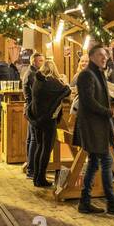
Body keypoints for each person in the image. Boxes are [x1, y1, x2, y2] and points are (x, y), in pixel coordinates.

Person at [73, 44, 114, 215]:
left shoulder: (97, 73)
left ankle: (85, 202)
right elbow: (89, 102)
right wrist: (111, 113)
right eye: (101, 55)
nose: (105, 58)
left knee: (95, 163)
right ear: (92, 56)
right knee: (106, 162)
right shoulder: (87, 75)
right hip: (92, 127)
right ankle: (111, 203)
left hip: (98, 126)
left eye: (106, 56)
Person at [26, 60, 69, 189]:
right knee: (46, 149)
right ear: (53, 69)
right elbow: (66, 90)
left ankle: (36, 176)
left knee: (39, 147)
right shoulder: (51, 82)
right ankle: (41, 178)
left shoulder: (37, 81)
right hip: (48, 120)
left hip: (37, 119)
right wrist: (65, 82)